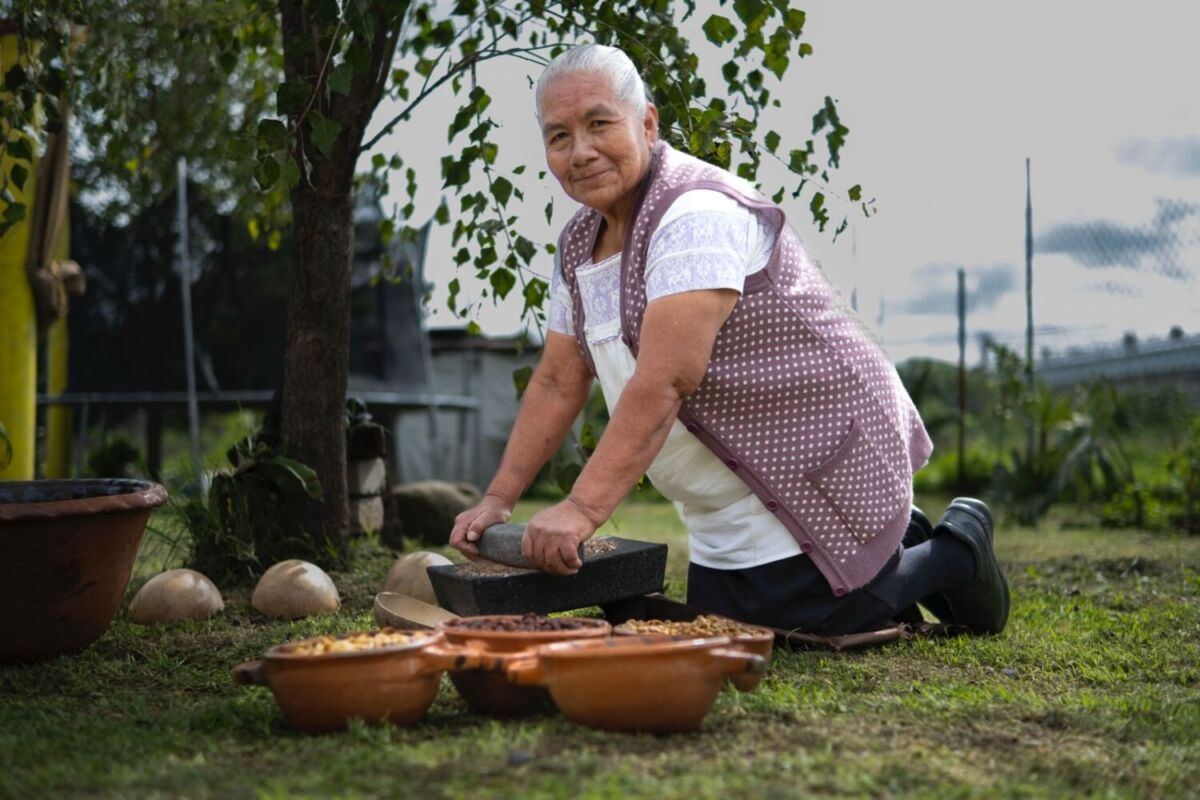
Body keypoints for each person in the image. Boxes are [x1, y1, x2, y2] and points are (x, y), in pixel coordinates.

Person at [449, 44, 1009, 636]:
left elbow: (667, 380)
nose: (580, 151)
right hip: (735, 486)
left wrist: (582, 509)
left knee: (808, 620)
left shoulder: (694, 214)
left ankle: (958, 549)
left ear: (646, 122)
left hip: (813, 446)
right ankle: (904, 539)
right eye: (559, 136)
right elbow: (560, 377)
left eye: (598, 123)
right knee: (726, 623)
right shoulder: (578, 242)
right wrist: (498, 498)